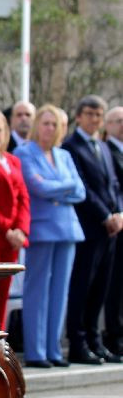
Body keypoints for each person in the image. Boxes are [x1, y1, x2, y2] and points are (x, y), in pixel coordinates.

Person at [14, 104, 85, 368]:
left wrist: (59, 189)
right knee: (37, 290)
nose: (50, 128)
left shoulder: (64, 155)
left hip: (68, 228)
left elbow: (81, 191)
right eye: (45, 123)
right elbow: (37, 186)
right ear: (36, 125)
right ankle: (36, 351)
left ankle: (54, 349)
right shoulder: (25, 152)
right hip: (42, 228)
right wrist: (65, 188)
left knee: (60, 291)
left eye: (55, 124)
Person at [62, 95, 123, 364]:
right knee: (82, 286)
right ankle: (78, 342)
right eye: (89, 114)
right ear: (78, 116)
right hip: (88, 226)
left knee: (101, 287)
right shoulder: (71, 146)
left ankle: (96, 341)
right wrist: (104, 215)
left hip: (109, 228)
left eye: (99, 114)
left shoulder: (103, 147)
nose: (94, 119)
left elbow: (113, 186)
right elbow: (83, 188)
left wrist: (118, 214)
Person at [105, 106, 123, 354]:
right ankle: (114, 334)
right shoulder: (107, 150)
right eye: (118, 120)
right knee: (114, 285)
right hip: (115, 224)